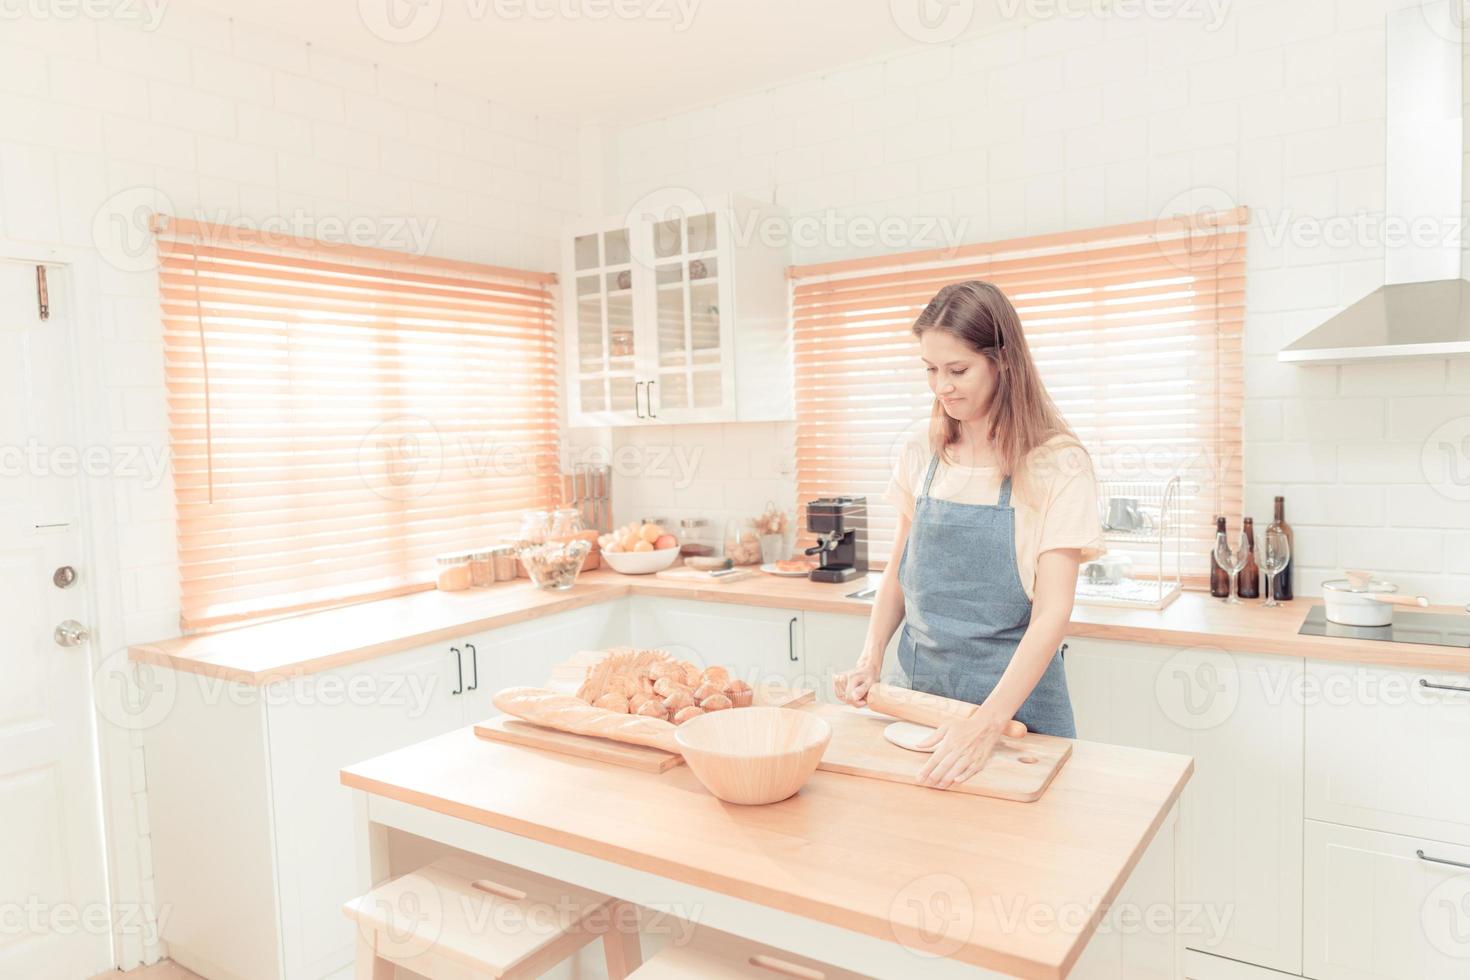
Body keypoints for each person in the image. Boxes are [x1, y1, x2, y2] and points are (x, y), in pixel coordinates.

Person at [834, 280, 1103, 789]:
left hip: (1017, 717)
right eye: (931, 370)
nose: (942, 387)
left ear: (1004, 362)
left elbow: (1052, 613)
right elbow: (898, 571)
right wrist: (869, 660)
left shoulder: (1057, 463)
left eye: (957, 370)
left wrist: (987, 722)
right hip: (919, 704)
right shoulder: (921, 450)